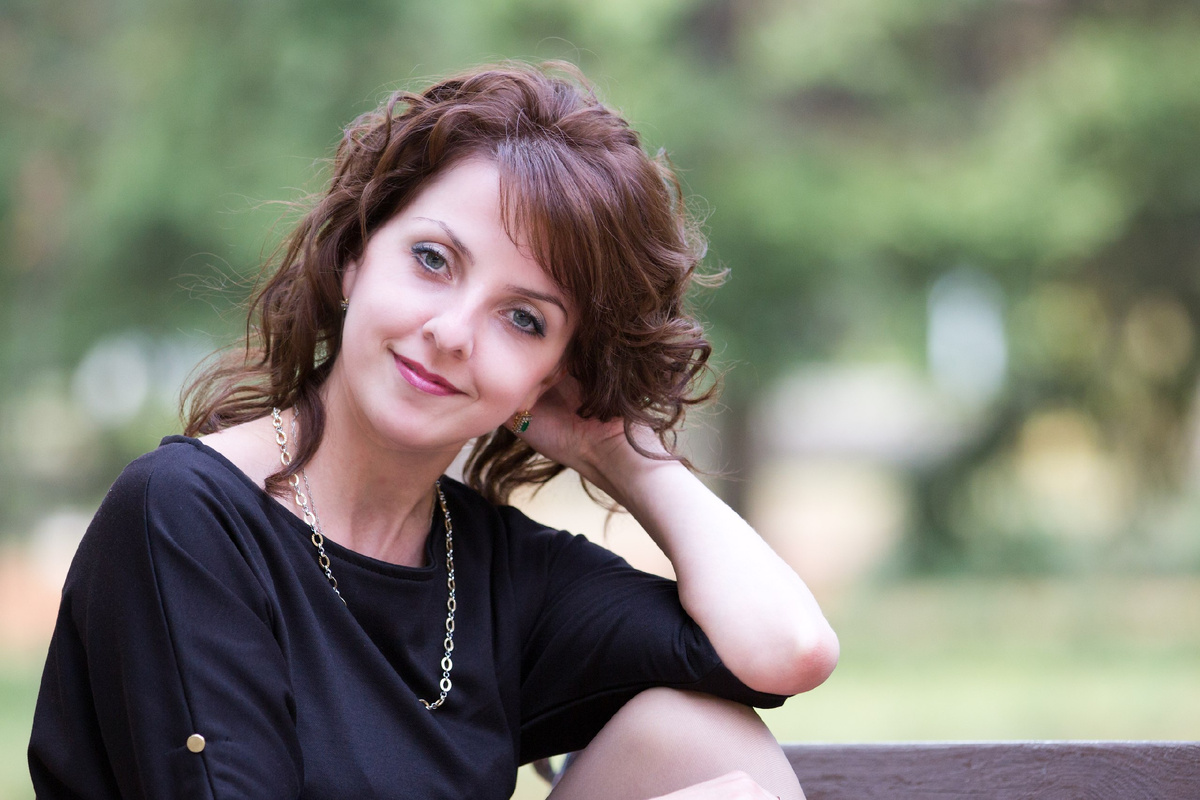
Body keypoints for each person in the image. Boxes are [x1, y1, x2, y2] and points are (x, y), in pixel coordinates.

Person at [29, 62, 838, 799]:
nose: (452, 333)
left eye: (523, 319)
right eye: (433, 260)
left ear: (552, 375)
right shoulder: (185, 514)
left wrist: (624, 458)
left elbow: (786, 649)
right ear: (354, 254)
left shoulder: (493, 572)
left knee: (702, 741)